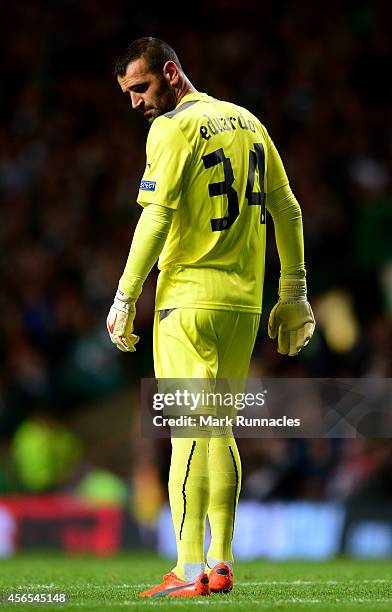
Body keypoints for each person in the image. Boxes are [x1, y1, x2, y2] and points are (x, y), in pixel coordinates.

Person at [107, 37, 315, 598]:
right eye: (127, 93)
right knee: (219, 428)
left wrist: (126, 295)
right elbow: (288, 209)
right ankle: (220, 563)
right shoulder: (248, 122)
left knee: (187, 434)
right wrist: (292, 291)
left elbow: (154, 220)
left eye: (141, 88)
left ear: (171, 73)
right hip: (243, 306)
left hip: (187, 303)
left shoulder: (171, 129)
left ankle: (187, 566)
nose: (136, 104)